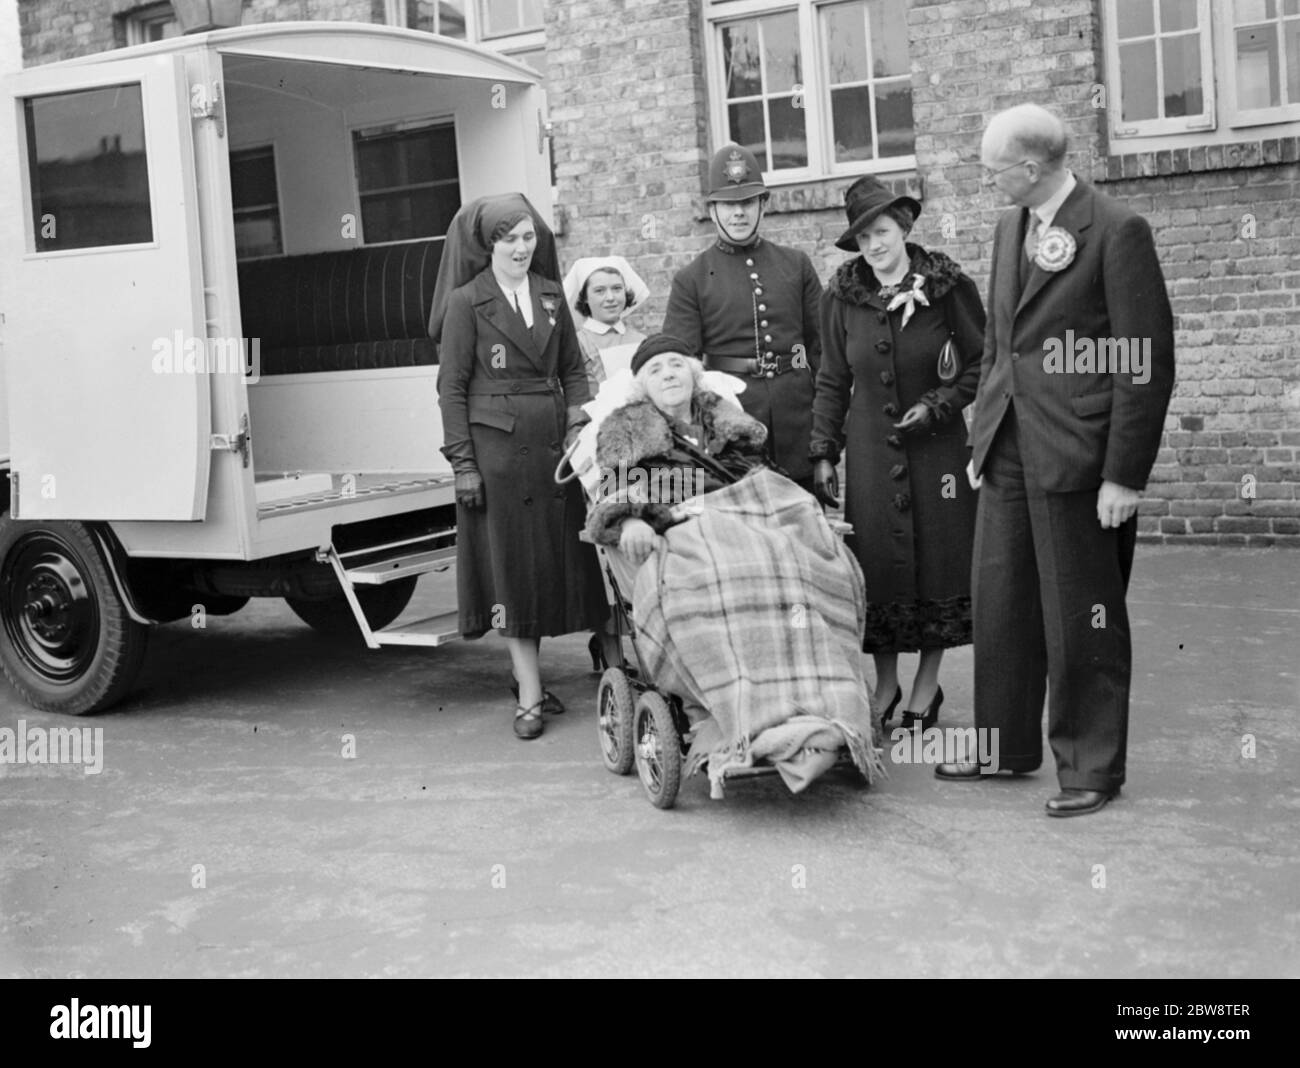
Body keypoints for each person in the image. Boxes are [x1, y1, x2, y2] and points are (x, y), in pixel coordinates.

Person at [935, 104, 1175, 817]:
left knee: (1083, 614)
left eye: (993, 170)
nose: (987, 182)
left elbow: (1144, 364)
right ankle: (1004, 746)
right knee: (1002, 603)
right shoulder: (1011, 227)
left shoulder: (1117, 230)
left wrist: (1123, 475)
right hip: (1008, 449)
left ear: (1033, 168)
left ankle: (1092, 766)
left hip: (1079, 457)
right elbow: (1000, 349)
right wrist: (980, 440)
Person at [584, 334, 881, 796]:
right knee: (718, 582)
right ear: (641, 384)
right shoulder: (627, 428)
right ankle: (742, 713)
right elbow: (614, 487)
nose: (668, 374)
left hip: (749, 523)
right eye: (656, 368)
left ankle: (825, 704)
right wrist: (628, 519)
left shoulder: (729, 421)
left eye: (676, 365)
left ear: (694, 372)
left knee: (801, 567)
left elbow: (768, 484)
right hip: (681, 531)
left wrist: (799, 514)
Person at [810, 176, 986, 732]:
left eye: (882, 232)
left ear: (904, 228)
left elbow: (985, 362)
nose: (874, 246)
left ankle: (927, 686)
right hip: (868, 451)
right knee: (877, 567)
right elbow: (832, 378)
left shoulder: (947, 286)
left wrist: (938, 404)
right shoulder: (841, 295)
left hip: (936, 452)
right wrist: (823, 450)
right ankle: (884, 683)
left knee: (940, 561)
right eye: (862, 238)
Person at [431, 193, 608, 741]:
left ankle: (607, 671)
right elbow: (451, 389)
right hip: (498, 456)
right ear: (488, 244)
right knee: (512, 570)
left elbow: (573, 371)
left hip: (556, 452)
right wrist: (463, 464)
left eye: (529, 237)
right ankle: (528, 689)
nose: (521, 248)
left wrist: (580, 425)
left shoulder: (552, 296)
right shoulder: (467, 302)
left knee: (566, 561)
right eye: (509, 238)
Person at [661, 144, 823, 493]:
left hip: (799, 425)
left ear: (763, 205)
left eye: (747, 203)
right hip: (732, 434)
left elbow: (823, 353)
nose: (739, 213)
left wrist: (826, 441)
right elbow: (682, 368)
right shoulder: (692, 278)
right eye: (729, 204)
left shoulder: (795, 265)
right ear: (712, 209)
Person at [561, 255, 650, 390]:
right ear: (585, 297)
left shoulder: (641, 341)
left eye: (617, 288)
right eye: (599, 291)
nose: (610, 297)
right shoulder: (577, 343)